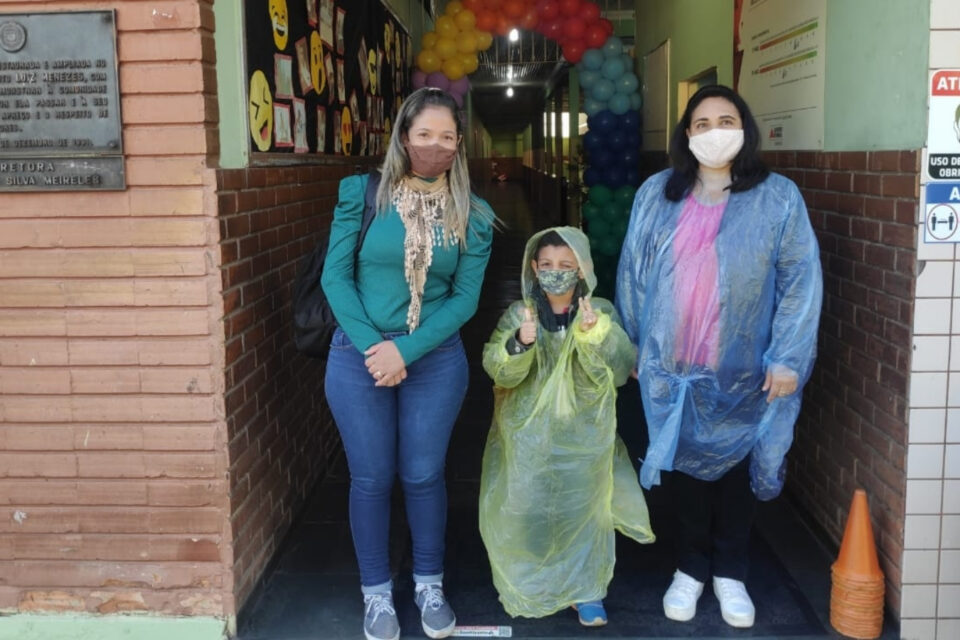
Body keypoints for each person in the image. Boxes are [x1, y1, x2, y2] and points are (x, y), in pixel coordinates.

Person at [615, 84, 822, 629]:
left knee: (733, 472)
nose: (713, 132)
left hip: (745, 366)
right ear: (687, 135)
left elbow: (800, 281)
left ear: (745, 128)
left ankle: (731, 572)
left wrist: (788, 357)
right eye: (701, 124)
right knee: (684, 471)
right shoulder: (658, 193)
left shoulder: (778, 198)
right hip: (672, 364)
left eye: (724, 120)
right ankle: (689, 568)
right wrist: (631, 344)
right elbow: (633, 274)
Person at [321, 87, 495, 640]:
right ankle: (376, 595)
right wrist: (378, 348)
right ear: (403, 137)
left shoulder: (475, 213)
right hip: (358, 355)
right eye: (424, 135)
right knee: (370, 479)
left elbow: (465, 300)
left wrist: (406, 351)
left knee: (423, 476)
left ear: (459, 143)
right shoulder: (362, 194)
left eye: (447, 137)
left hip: (434, 358)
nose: (435, 146)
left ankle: (428, 583)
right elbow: (335, 277)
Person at [479, 227, 655, 627]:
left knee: (586, 508)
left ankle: (587, 589)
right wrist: (519, 344)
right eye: (546, 266)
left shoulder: (601, 312)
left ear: (582, 270)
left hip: (584, 436)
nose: (555, 273)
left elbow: (620, 368)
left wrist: (597, 337)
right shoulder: (519, 315)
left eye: (565, 266)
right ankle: (533, 580)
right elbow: (498, 370)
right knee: (528, 506)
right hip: (529, 436)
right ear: (533, 269)